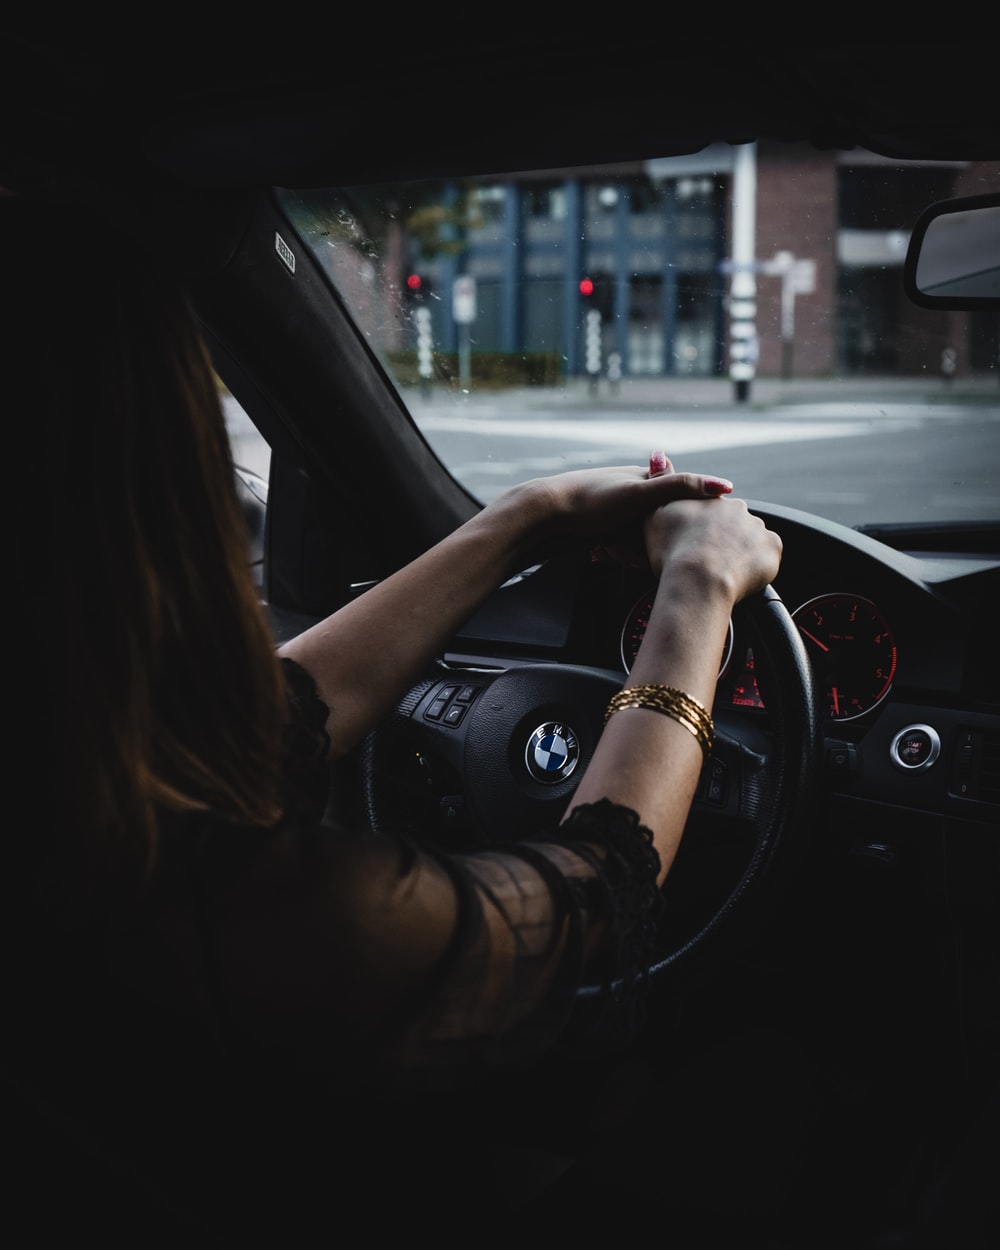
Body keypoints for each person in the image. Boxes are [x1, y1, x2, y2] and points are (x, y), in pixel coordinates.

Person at [5, 193, 786, 1242]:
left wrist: (526, 517)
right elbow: (596, 906)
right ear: (145, 505)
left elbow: (269, 722)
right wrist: (696, 591)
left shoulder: (64, 798)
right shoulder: (248, 922)